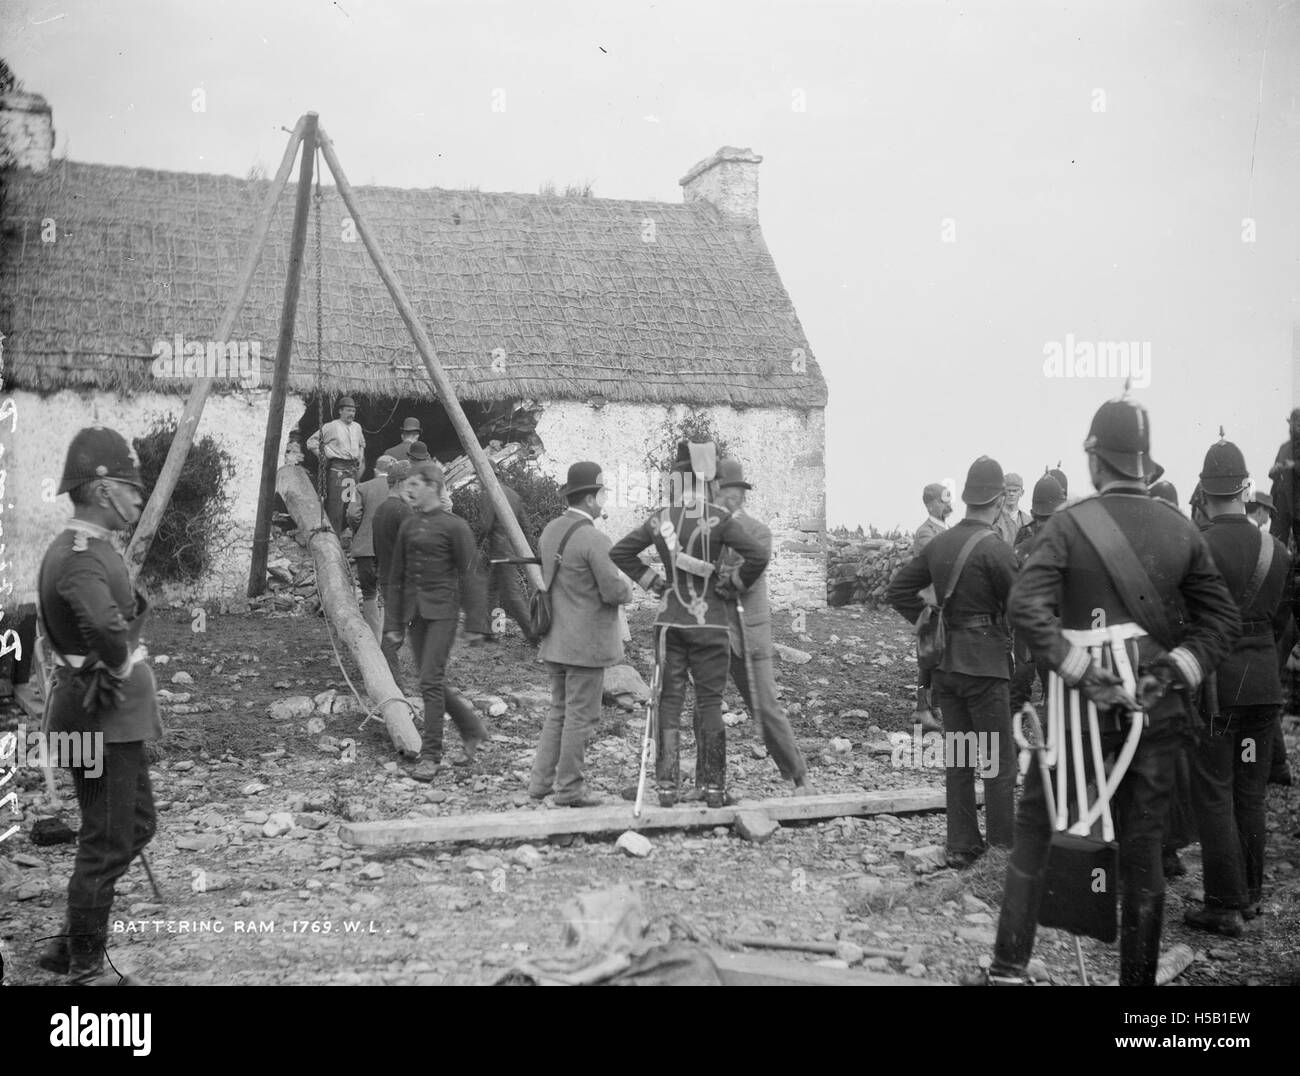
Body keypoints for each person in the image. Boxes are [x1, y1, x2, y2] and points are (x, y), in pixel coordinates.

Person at [974, 394, 1239, 987]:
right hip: (1157, 709)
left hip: (1077, 714)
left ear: (1094, 459)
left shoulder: (1069, 524)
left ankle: (1009, 970)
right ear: (1145, 463)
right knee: (1143, 855)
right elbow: (1220, 623)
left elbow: (1025, 606)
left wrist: (1082, 672)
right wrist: (1172, 670)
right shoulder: (1180, 530)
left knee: (1038, 834)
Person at [36, 426, 162, 985]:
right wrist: (119, 664)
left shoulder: (91, 547)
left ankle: (67, 946)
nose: (139, 497)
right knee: (105, 838)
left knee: (134, 825)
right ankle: (87, 967)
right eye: (132, 487)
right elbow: (108, 633)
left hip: (100, 717)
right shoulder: (81, 554)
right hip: (96, 716)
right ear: (103, 488)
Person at [611, 441, 768, 807]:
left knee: (669, 703)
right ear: (706, 482)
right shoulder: (721, 519)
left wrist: (652, 581)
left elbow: (619, 551)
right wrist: (735, 583)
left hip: (670, 622)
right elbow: (758, 555)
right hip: (712, 623)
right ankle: (714, 790)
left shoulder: (660, 519)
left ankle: (667, 789)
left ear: (678, 484)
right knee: (711, 703)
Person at [887, 456, 1019, 870]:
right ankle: (1000, 854)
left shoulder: (940, 543)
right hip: (986, 665)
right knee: (997, 761)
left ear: (965, 500)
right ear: (998, 502)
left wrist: (930, 621)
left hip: (945, 665)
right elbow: (1022, 607)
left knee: (960, 757)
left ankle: (962, 846)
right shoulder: (997, 549)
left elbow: (898, 590)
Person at [1184, 436, 1291, 937]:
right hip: (1264, 687)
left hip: (1218, 689)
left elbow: (1182, 619)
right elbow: (1284, 617)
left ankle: (1224, 904)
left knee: (1214, 794)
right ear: (1246, 488)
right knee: (1250, 792)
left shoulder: (1199, 546)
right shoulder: (1278, 549)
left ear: (1204, 491)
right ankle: (1250, 898)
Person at [527, 462, 634, 806]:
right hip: (586, 645)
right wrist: (628, 587)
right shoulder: (595, 538)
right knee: (581, 717)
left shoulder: (550, 530)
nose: (603, 502)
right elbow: (613, 592)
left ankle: (540, 784)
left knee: (559, 710)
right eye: (601, 494)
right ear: (589, 499)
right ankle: (570, 789)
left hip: (555, 640)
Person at [711, 458, 813, 796]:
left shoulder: (757, 532)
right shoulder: (703, 530)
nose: (733, 497)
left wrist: (714, 575)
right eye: (727, 490)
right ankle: (708, 782)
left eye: (738, 492)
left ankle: (798, 777)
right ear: (715, 490)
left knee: (765, 705)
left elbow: (741, 578)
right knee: (705, 707)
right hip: (710, 632)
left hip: (748, 632)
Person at [384, 461, 489, 782]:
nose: (408, 490)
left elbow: (472, 576)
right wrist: (394, 622)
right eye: (408, 485)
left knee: (429, 680)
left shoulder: (455, 527)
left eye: (415, 484)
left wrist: (476, 623)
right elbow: (397, 577)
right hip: (416, 614)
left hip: (443, 613)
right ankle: (472, 729)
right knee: (433, 681)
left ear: (433, 486)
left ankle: (431, 755)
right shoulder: (409, 525)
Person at [1008, 473, 1067, 712]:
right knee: (1027, 668)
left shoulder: (1067, 536)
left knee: (1038, 666)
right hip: (1041, 615)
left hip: (1044, 615)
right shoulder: (1028, 535)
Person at [465, 468, 538, 645]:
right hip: (510, 550)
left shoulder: (488, 493)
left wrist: (476, 544)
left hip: (500, 550)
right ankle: (492, 631)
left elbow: (485, 525)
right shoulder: (512, 493)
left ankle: (535, 635)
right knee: (493, 590)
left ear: (485, 476)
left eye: (478, 477)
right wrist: (522, 550)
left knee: (511, 595)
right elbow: (526, 525)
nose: (478, 481)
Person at [911, 482, 953, 732]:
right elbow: (939, 562)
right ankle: (922, 708)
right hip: (930, 603)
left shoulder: (944, 529)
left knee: (939, 656)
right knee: (928, 657)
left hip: (942, 602)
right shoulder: (925, 533)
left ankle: (933, 706)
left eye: (947, 499)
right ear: (929, 504)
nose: (947, 504)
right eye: (941, 501)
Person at [347, 455, 397, 640]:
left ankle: (374, 639)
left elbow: (352, 514)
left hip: (366, 548)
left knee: (369, 593)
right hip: (390, 549)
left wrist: (359, 531)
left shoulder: (360, 487)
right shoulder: (398, 490)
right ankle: (388, 639)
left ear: (376, 469)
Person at [306, 396, 366, 536]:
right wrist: (323, 456)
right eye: (348, 410)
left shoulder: (357, 427)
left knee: (350, 505)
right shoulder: (331, 426)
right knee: (336, 508)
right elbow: (311, 442)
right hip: (337, 471)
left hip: (352, 472)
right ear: (340, 411)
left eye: (353, 411)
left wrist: (361, 456)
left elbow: (362, 444)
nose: (352, 414)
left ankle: (347, 541)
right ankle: (334, 542)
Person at [1267, 407, 1300, 549]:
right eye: (1294, 424)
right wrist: (1274, 470)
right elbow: (1274, 472)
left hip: (1298, 504)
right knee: (1276, 544)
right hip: (1281, 503)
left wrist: (1295, 465)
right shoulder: (1284, 447)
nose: (1296, 427)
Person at [993, 473, 1032, 546]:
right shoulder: (994, 519)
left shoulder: (1028, 521)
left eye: (1015, 491)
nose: (1011, 494)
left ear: (1022, 493)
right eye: (1008, 490)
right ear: (1002, 492)